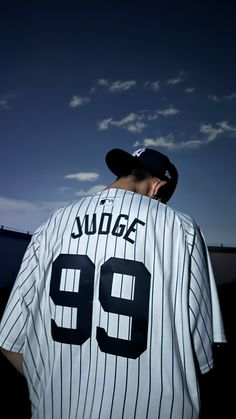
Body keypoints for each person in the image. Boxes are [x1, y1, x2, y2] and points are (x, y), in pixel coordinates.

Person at [0, 147, 226, 419]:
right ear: (158, 187)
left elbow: (9, 341)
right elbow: (202, 358)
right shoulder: (182, 229)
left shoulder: (52, 224)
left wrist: (50, 388)